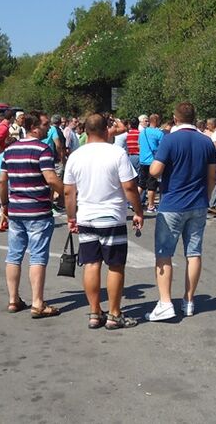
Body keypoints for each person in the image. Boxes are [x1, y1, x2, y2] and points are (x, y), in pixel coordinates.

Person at [64, 113, 144, 329]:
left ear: (86, 131)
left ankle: (94, 312)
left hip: (86, 217)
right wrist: (138, 211)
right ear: (105, 129)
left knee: (91, 264)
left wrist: (72, 217)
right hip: (111, 217)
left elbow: (69, 192)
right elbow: (129, 187)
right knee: (115, 266)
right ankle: (114, 314)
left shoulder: (75, 156)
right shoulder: (116, 153)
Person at [146, 101, 216, 321]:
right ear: (195, 118)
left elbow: (155, 170)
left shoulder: (170, 140)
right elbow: (212, 176)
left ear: (175, 118)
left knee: (164, 253)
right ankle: (188, 300)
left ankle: (165, 302)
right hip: (198, 203)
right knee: (193, 252)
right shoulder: (206, 142)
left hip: (172, 204)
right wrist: (206, 197)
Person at [0, 111, 65, 319]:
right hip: (38, 209)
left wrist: (4, 205)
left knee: (14, 254)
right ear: (35, 127)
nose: (48, 128)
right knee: (37, 256)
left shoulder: (10, 150)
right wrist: (66, 193)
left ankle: (13, 299)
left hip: (16, 209)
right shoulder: (42, 149)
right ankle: (37, 302)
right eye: (45, 124)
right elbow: (51, 178)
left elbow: (2, 180)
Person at [137, 113, 163, 214]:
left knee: (141, 183)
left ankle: (132, 202)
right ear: (156, 121)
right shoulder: (159, 133)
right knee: (152, 185)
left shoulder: (143, 132)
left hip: (143, 160)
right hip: (153, 161)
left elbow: (139, 145)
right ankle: (151, 206)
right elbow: (162, 148)